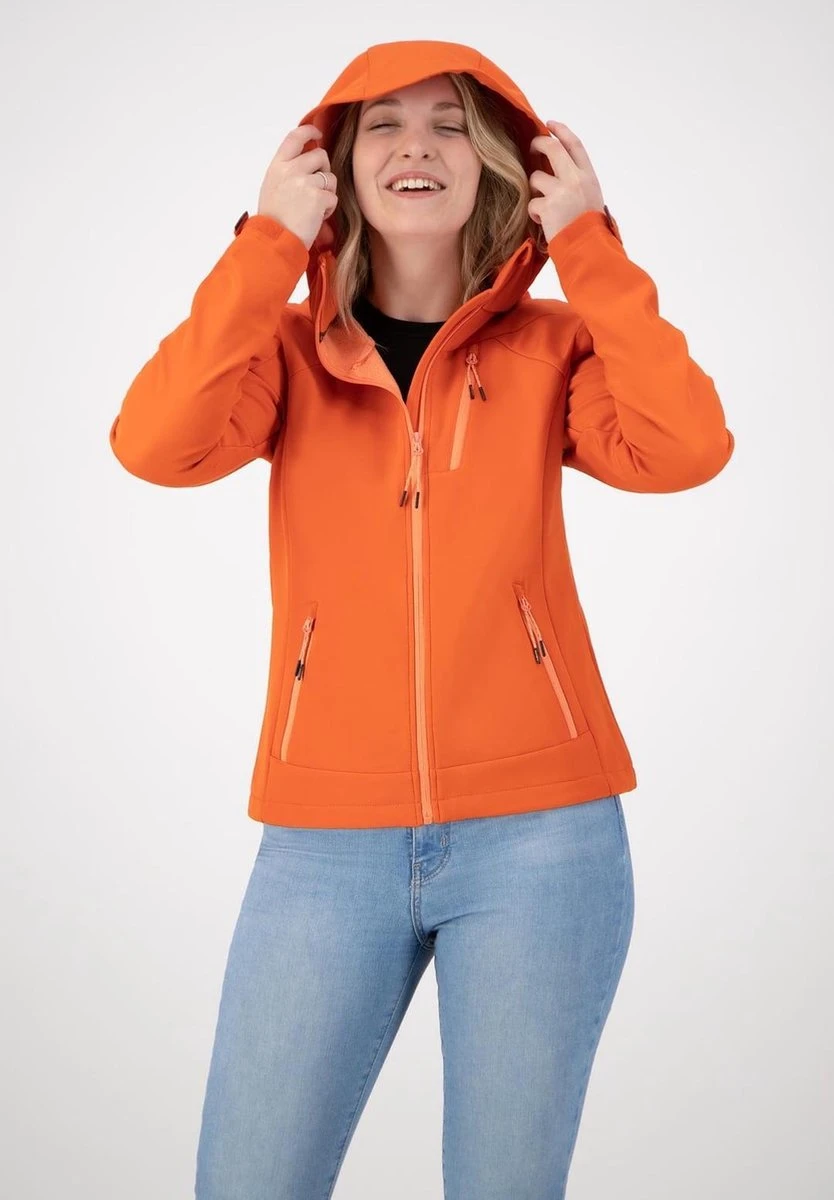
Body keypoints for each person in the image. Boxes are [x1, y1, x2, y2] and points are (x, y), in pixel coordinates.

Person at [109, 39, 734, 1200]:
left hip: (544, 843)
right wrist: (268, 245)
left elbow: (685, 447)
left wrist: (590, 246)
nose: (418, 147)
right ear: (337, 165)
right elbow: (155, 445)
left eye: (451, 125)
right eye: (384, 124)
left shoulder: (553, 348)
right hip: (323, 844)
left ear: (497, 162)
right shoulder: (283, 356)